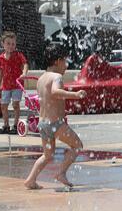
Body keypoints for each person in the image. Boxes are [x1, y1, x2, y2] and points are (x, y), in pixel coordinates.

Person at [24, 44, 86, 190]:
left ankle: (30, 180)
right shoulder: (56, 77)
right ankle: (61, 173)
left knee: (47, 155)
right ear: (58, 61)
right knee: (77, 145)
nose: (66, 65)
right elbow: (55, 92)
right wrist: (75, 95)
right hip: (55, 124)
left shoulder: (41, 79)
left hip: (43, 124)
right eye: (65, 61)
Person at [0, 31, 29, 134]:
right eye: (8, 43)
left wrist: (24, 73)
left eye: (13, 44)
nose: (10, 46)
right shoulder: (0, 58)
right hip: (6, 86)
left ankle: (15, 125)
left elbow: (25, 64)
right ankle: (6, 125)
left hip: (17, 85)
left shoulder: (18, 55)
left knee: (15, 104)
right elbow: (0, 72)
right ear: (3, 44)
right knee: (3, 105)